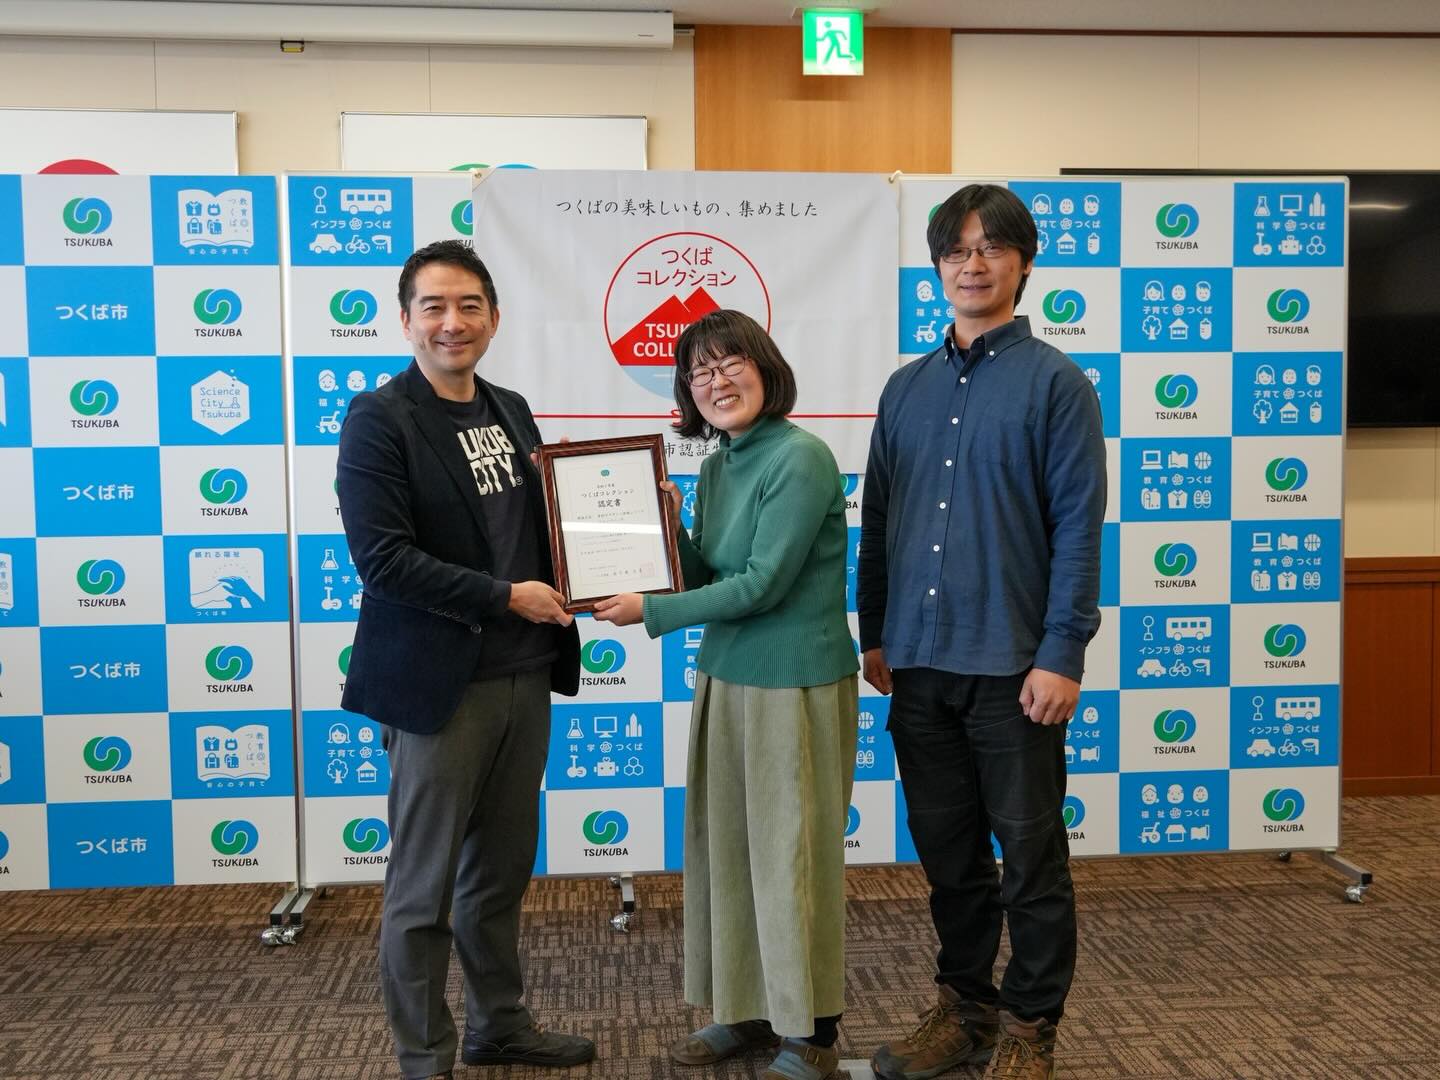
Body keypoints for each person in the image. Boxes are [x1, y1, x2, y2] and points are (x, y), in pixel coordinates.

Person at [859, 185, 1106, 1080]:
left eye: (992, 247)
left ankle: (1031, 1026)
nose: (974, 263)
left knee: (1031, 859)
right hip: (919, 664)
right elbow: (878, 517)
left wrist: (1062, 652)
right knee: (950, 859)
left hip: (1014, 669)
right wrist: (874, 633)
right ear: (937, 267)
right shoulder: (905, 388)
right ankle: (966, 1009)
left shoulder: (1057, 384)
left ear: (1023, 263)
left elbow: (1078, 528)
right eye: (957, 249)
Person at [337, 239, 594, 1080]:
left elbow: (538, 529)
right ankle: (425, 1057)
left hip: (526, 672)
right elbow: (384, 561)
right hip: (439, 688)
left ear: (494, 317)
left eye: (470, 306)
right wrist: (504, 596)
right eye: (435, 307)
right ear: (406, 319)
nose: (454, 322)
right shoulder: (380, 419)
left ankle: (499, 1025)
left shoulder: (509, 408)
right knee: (423, 889)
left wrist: (617, 521)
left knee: (500, 875)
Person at [592, 309, 859, 1080]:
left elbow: (764, 584)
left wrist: (653, 612)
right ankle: (745, 1009)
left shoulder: (801, 457)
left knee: (790, 857)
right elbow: (710, 571)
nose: (715, 381)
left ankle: (813, 1032)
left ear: (765, 367)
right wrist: (667, 529)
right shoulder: (716, 466)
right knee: (729, 853)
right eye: (699, 371)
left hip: (794, 684)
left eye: (730, 362)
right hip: (727, 676)